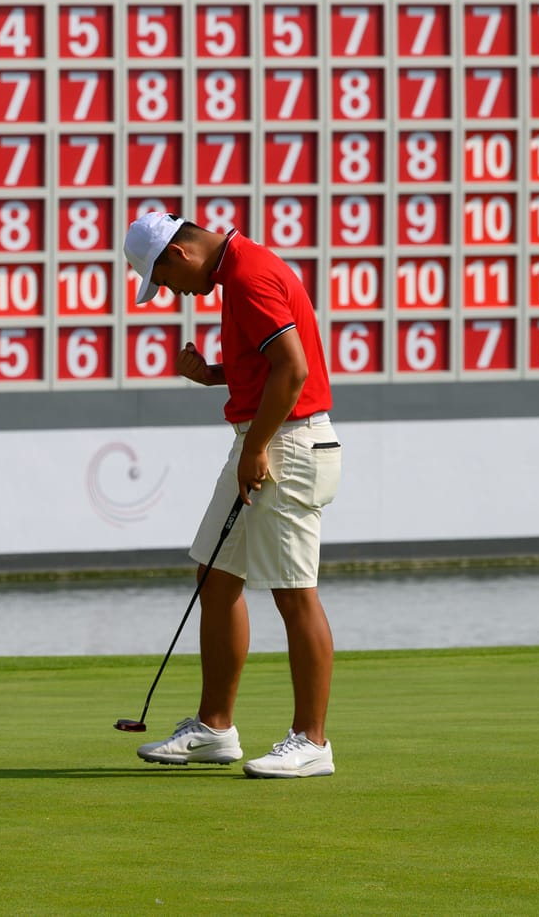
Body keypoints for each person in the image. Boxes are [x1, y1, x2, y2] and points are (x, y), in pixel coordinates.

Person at [121, 211, 342, 778]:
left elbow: (293, 370)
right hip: (266, 439)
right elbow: (267, 364)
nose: (173, 293)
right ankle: (215, 729)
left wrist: (254, 449)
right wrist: (215, 375)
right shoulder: (235, 271)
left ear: (180, 254)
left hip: (285, 444)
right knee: (215, 578)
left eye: (166, 282)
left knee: (295, 594)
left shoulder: (247, 277)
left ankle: (312, 741)